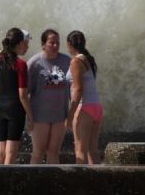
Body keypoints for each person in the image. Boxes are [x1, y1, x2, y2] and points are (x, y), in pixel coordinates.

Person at [0, 29, 30, 165]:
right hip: (14, 110)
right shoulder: (20, 64)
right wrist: (31, 116)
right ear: (19, 43)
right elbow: (22, 94)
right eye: (25, 43)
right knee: (10, 154)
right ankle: (5, 183)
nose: (27, 47)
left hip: (0, 110)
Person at [28, 29, 72, 164]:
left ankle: (52, 182)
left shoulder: (67, 61)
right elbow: (24, 92)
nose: (55, 45)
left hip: (60, 115)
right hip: (40, 116)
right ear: (43, 44)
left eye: (57, 42)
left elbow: (73, 88)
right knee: (38, 152)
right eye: (51, 42)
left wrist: (71, 115)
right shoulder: (34, 63)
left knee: (54, 152)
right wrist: (28, 117)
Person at [66, 31, 102, 165]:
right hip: (96, 107)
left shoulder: (76, 61)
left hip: (84, 107)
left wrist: (70, 115)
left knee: (80, 151)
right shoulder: (88, 59)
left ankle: (81, 184)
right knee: (92, 151)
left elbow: (78, 89)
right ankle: (99, 184)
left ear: (69, 44)